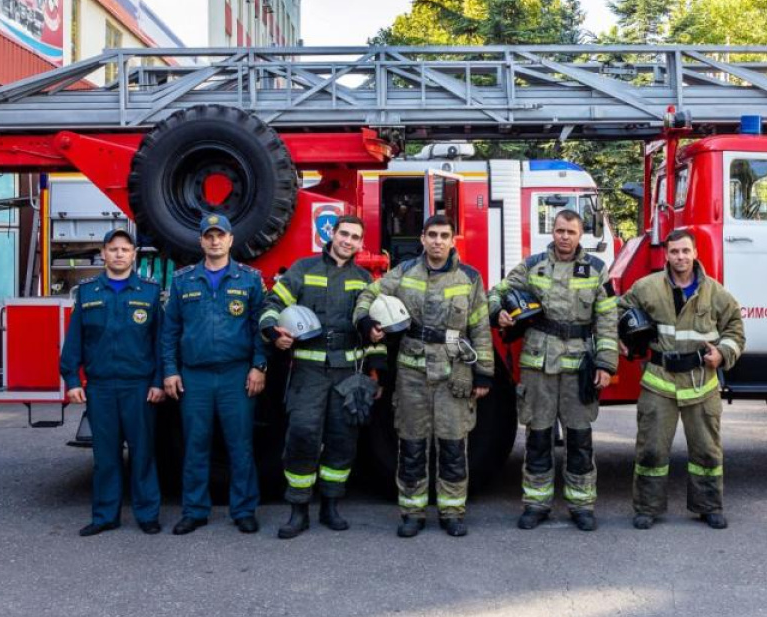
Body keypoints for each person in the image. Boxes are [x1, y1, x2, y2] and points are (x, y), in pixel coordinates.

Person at [354, 214, 494, 538]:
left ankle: (452, 511)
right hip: (412, 371)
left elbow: (481, 328)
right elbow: (367, 296)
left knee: (453, 445)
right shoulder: (403, 273)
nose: (437, 241)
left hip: (453, 372)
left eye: (444, 235)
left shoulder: (470, 278)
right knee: (412, 445)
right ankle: (412, 512)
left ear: (453, 240)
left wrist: (484, 373)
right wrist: (365, 322)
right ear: (422, 238)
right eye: (432, 235)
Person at [489, 209, 618, 532]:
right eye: (560, 230)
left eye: (570, 232)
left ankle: (581, 505)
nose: (564, 237)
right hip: (538, 365)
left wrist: (606, 363)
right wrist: (499, 313)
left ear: (580, 235)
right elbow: (496, 292)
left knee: (579, 440)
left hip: (579, 368)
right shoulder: (533, 267)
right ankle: (536, 503)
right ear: (553, 232)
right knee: (538, 437)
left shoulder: (597, 270)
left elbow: (607, 320)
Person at [258, 215, 380, 539]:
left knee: (342, 441)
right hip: (308, 372)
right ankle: (298, 509)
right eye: (344, 234)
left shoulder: (364, 279)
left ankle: (330, 505)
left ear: (360, 243)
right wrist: (273, 331)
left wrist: (376, 370)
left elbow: (376, 326)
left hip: (347, 374)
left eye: (355, 237)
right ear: (332, 234)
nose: (348, 241)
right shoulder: (303, 269)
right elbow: (272, 303)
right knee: (301, 436)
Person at [619, 229, 745, 530]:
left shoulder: (716, 293)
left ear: (695, 253)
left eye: (685, 251)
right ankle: (647, 508)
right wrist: (623, 339)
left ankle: (710, 506)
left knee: (706, 450)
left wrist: (723, 354)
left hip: (702, 383)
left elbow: (736, 330)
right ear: (666, 254)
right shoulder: (647, 287)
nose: (680, 257)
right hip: (659, 382)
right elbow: (617, 311)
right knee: (651, 449)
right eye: (674, 252)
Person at [161, 214, 268, 535]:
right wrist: (169, 371)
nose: (214, 241)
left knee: (240, 446)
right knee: (195, 446)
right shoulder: (183, 281)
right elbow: (169, 331)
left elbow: (259, 327)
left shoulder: (249, 279)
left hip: (236, 375)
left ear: (231, 240)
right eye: (209, 236)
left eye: (220, 235)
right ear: (201, 241)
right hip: (195, 377)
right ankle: (194, 510)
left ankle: (244, 509)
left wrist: (258, 366)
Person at [59, 229, 164, 536]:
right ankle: (105, 515)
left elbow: (160, 342)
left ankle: (147, 515)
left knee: (143, 454)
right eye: (113, 249)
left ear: (134, 255)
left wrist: (158, 380)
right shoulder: (88, 292)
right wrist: (71, 379)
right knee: (105, 456)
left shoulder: (149, 292)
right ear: (103, 253)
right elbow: (75, 339)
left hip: (139, 387)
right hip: (101, 387)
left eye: (125, 249)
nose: (119, 254)